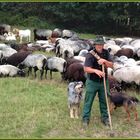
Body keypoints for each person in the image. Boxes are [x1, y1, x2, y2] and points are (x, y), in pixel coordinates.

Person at [82, 36, 113, 129]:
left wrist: (105, 61)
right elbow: (86, 68)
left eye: (101, 44)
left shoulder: (106, 52)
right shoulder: (90, 54)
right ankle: (85, 119)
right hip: (92, 82)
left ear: (103, 45)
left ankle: (105, 118)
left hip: (103, 81)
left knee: (104, 101)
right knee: (88, 101)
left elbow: (111, 65)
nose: (100, 46)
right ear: (95, 45)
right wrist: (96, 71)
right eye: (98, 44)